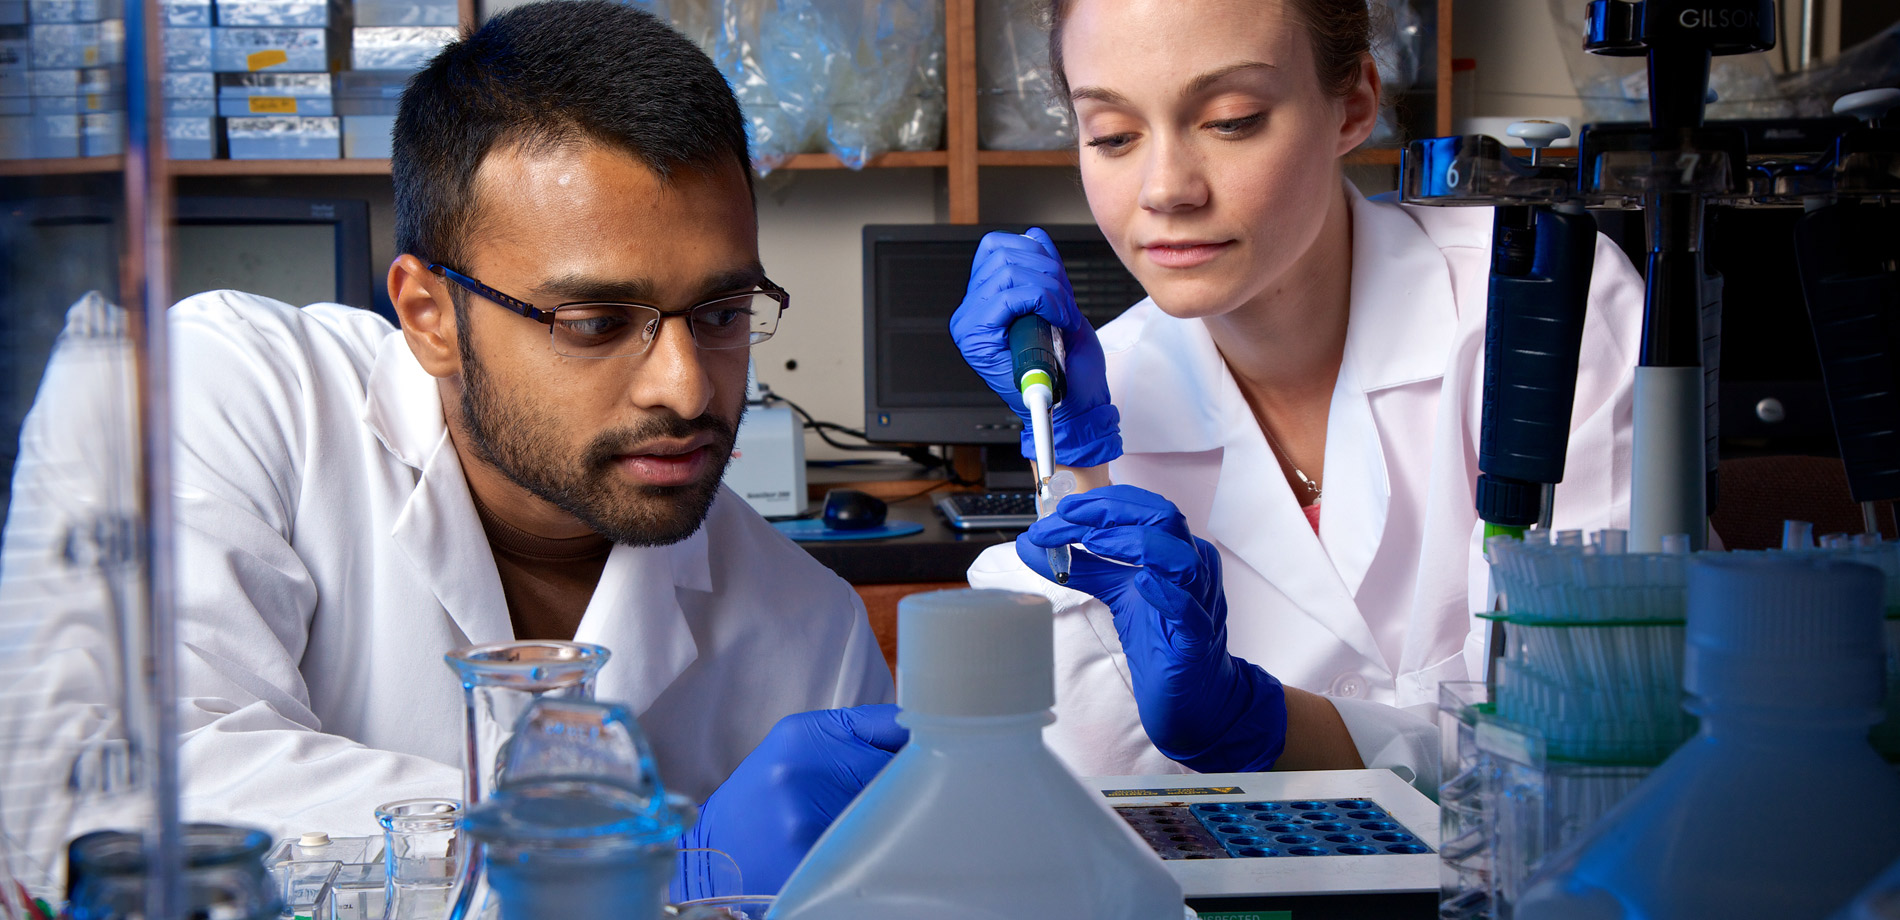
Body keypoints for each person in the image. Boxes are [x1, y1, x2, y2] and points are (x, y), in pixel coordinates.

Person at [0, 0, 893, 861]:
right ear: (428, 314)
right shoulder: (222, 390)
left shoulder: (813, 632)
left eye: (723, 311)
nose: (688, 388)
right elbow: (102, 791)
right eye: (593, 323)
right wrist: (633, 862)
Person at [950, 0, 1645, 786]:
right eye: (1111, 134)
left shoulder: (1535, 308)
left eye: (1231, 119)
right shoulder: (1093, 401)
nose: (1166, 189)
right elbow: (1094, 779)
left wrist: (1264, 725)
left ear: (1352, 106)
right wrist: (1076, 473)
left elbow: (1608, 721)